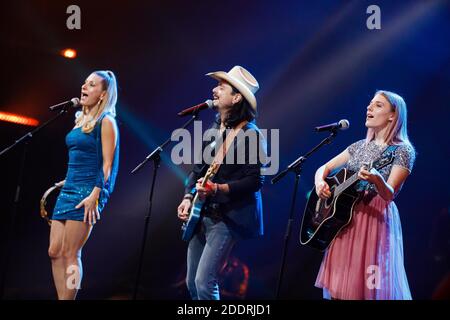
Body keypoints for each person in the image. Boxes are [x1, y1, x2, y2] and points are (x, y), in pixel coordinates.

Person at [313, 90, 416, 300]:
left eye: (378, 105)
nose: (369, 108)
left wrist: (377, 179)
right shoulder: (359, 146)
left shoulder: (403, 150)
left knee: (367, 288)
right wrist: (319, 183)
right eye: (370, 104)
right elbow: (324, 167)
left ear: (392, 115)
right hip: (344, 220)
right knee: (340, 288)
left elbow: (389, 194)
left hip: (373, 220)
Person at [177, 66, 266, 300]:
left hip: (228, 217)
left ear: (236, 98)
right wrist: (187, 197)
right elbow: (198, 169)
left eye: (221, 87)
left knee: (204, 281)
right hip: (202, 212)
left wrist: (218, 188)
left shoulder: (251, 134)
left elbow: (255, 180)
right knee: (191, 283)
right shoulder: (215, 128)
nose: (214, 90)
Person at [48, 70, 120, 300]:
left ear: (102, 94)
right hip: (69, 189)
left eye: (91, 85)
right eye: (84, 83)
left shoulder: (106, 121)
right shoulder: (81, 120)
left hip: (87, 193)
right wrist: (66, 180)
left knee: (71, 253)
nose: (84, 87)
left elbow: (107, 164)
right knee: (54, 252)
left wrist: (95, 194)